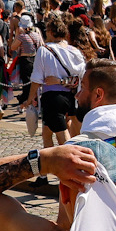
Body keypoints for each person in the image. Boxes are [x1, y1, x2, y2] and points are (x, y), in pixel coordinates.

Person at [33, 16, 87, 152]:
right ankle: (47, 166)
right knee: (47, 133)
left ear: (50, 32)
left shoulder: (44, 50)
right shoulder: (74, 51)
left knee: (62, 136)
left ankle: (72, 161)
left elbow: (37, 78)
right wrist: (64, 81)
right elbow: (81, 75)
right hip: (70, 97)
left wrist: (29, 98)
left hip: (52, 98)